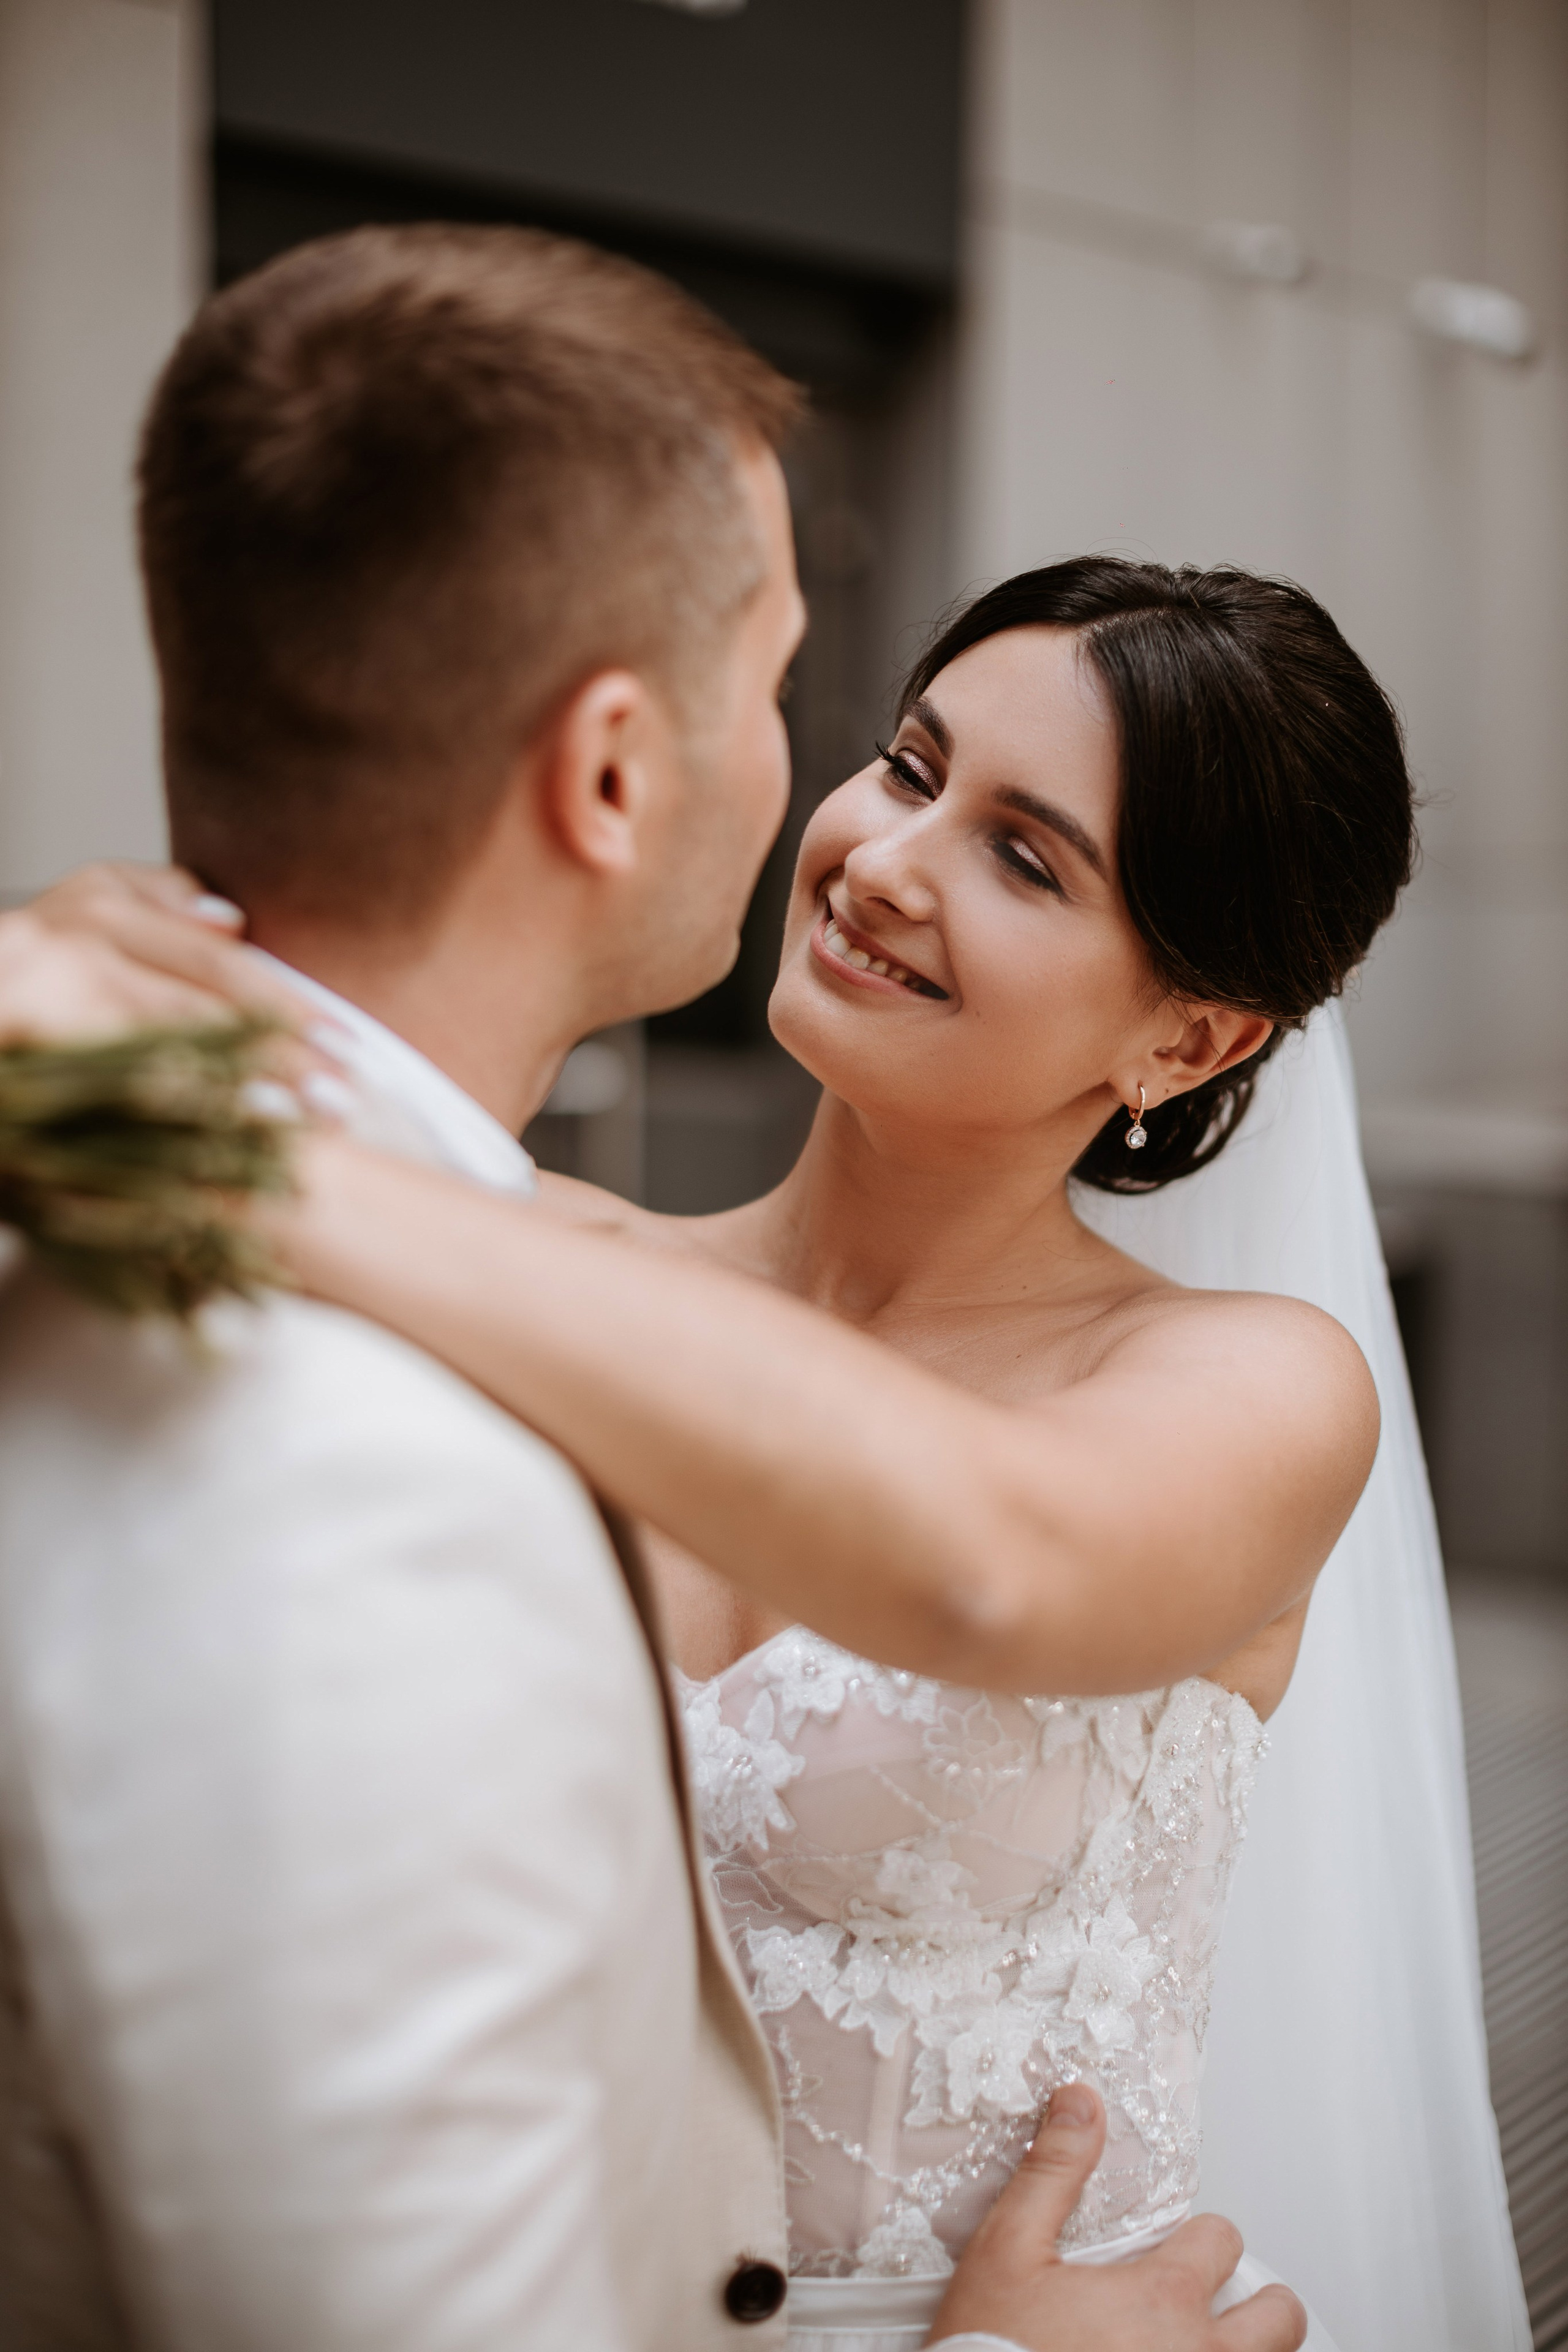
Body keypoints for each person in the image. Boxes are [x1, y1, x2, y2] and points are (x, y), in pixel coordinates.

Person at [0, 225, 1308, 2352]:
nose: (878, 851)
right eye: (894, 752)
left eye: (1027, 853)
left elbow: (1002, 1553)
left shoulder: (1243, 1380)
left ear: (1194, 1035)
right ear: (615, 769)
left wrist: (204, 1115)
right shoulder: (504, 1283)